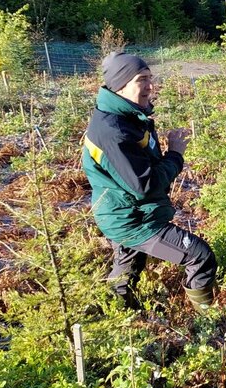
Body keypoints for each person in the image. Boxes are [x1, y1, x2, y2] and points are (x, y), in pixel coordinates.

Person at [82, 51, 217, 312]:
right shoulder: (114, 132)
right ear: (120, 84)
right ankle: (208, 321)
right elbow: (145, 185)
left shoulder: (129, 117)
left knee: (126, 273)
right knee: (200, 256)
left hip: (122, 212)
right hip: (132, 220)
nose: (151, 87)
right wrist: (176, 154)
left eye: (150, 78)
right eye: (142, 79)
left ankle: (115, 320)